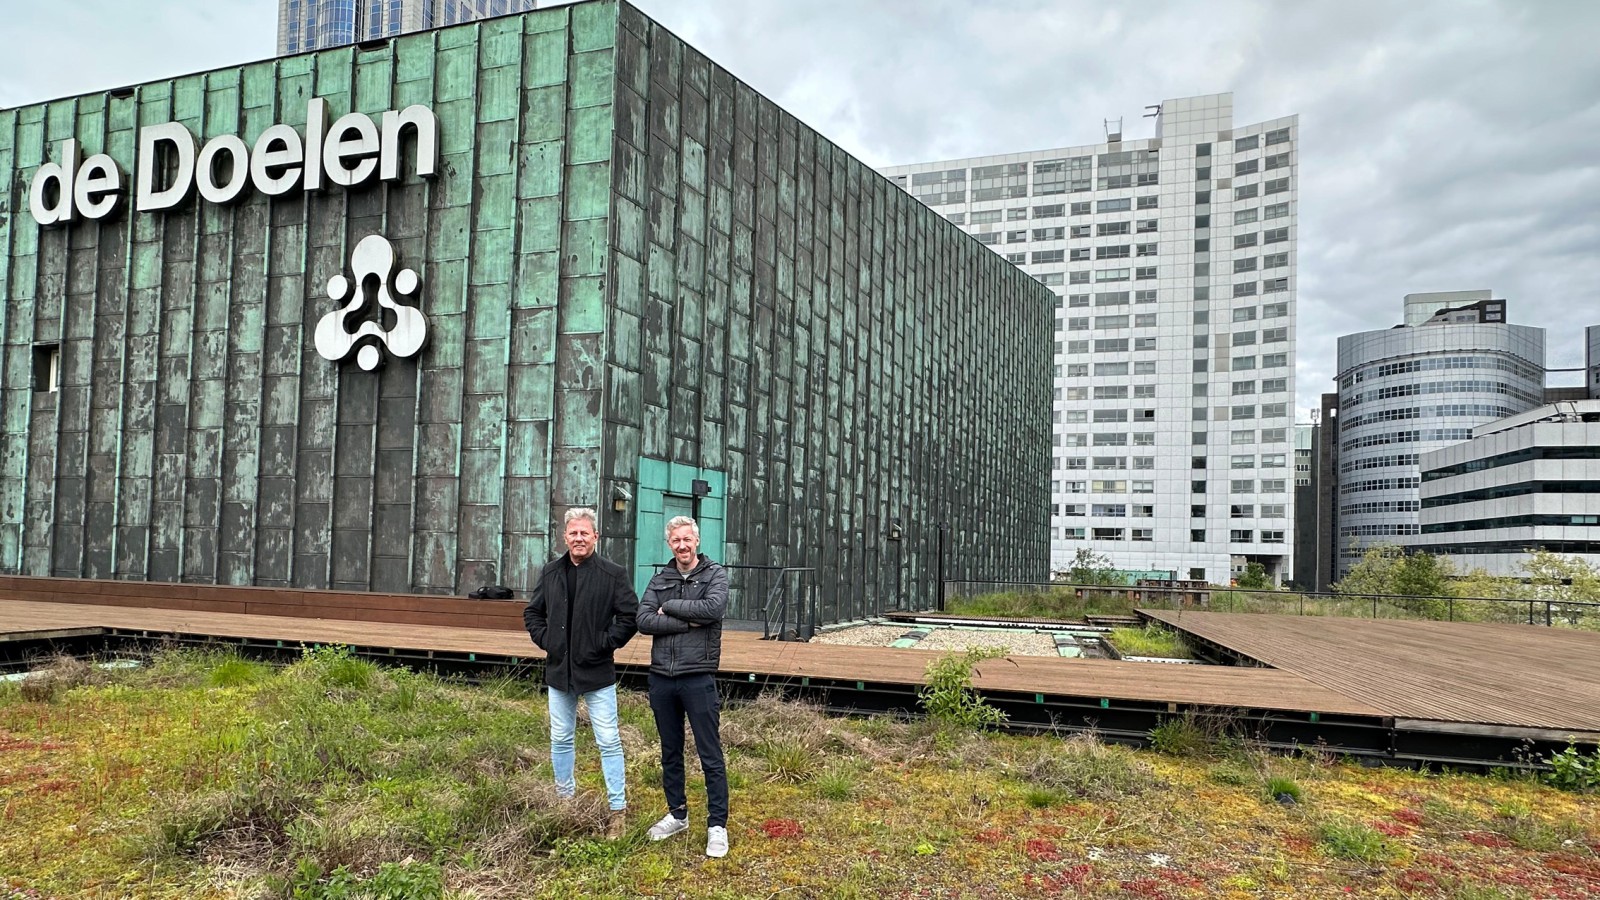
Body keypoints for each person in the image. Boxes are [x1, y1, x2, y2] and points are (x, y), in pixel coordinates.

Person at [523, 507, 639, 839]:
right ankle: (565, 802)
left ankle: (618, 810)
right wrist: (549, 641)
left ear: (595, 537)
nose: (578, 538)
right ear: (565, 537)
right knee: (560, 739)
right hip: (560, 672)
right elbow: (533, 613)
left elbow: (629, 616)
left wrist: (604, 643)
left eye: (584, 533)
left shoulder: (612, 574)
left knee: (608, 740)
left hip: (597, 671)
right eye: (573, 533)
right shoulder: (551, 572)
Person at [636, 515, 731, 858]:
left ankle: (717, 825)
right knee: (670, 752)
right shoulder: (660, 577)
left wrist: (670, 609)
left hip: (698, 676)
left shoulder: (714, 574)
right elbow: (644, 619)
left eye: (687, 539)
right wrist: (688, 621)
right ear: (669, 544)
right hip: (662, 677)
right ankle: (677, 814)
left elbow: (713, 608)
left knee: (710, 754)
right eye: (676, 540)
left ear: (697, 541)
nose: (682, 545)